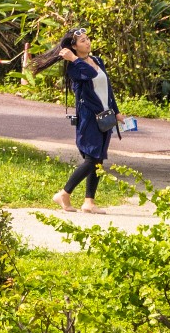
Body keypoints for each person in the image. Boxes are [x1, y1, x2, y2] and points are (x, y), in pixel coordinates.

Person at [44, 27, 118, 213]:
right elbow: (92, 75)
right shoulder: (74, 67)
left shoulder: (97, 60)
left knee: (98, 159)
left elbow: (107, 87)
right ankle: (64, 193)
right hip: (89, 117)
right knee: (91, 158)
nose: (87, 42)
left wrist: (116, 111)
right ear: (74, 47)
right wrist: (74, 59)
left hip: (105, 115)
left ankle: (89, 202)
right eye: (83, 40)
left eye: (87, 39)